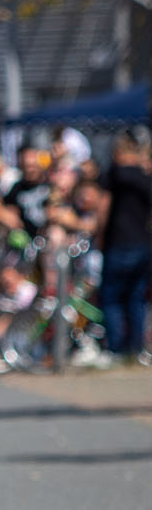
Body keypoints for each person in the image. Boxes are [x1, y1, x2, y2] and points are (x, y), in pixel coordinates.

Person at [98, 131, 150, 364]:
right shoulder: (145, 176)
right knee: (136, 298)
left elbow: (103, 208)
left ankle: (116, 349)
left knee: (111, 298)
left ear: (118, 152)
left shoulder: (115, 174)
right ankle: (136, 349)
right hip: (143, 245)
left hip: (118, 243)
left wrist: (99, 234)